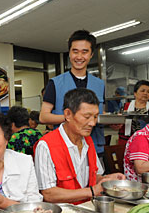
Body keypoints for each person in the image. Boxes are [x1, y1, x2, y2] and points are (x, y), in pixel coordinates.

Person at [34, 88, 124, 205]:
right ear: (68, 114)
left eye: (95, 117)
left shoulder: (88, 141)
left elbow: (92, 177)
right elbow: (48, 193)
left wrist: (106, 180)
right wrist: (91, 191)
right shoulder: (46, 146)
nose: (92, 123)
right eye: (87, 117)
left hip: (87, 208)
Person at [39, 30, 106, 158]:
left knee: (95, 178)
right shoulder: (55, 83)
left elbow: (100, 115)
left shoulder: (99, 84)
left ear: (91, 54)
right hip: (64, 148)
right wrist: (73, 118)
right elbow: (43, 117)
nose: (79, 57)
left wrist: (112, 121)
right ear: (69, 53)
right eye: (75, 51)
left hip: (94, 147)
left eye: (84, 52)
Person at [118, 80, 149, 146]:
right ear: (135, 93)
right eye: (142, 91)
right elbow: (119, 123)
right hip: (127, 141)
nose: (145, 93)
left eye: (148, 92)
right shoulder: (126, 106)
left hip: (148, 141)